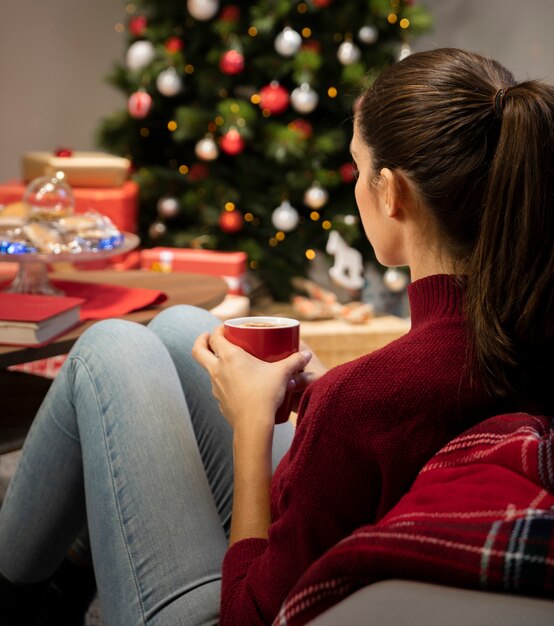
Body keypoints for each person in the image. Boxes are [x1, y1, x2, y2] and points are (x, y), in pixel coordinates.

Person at [1, 47, 553, 625]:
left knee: (110, 348)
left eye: (359, 168)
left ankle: (16, 591)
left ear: (392, 193)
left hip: (246, 609)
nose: (358, 188)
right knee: (184, 330)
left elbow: (249, 613)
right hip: (388, 527)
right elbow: (415, 414)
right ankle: (73, 561)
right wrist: (322, 395)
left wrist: (253, 427)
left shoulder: (362, 399)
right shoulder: (529, 330)